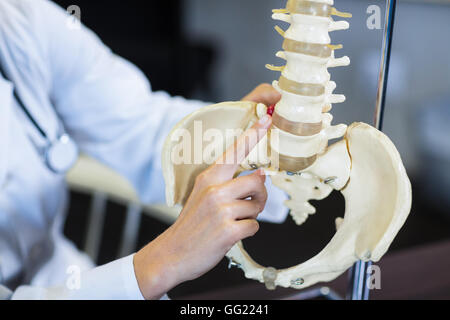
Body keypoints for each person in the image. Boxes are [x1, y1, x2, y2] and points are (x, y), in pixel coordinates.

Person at [0, 0, 286, 299]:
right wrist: (160, 263)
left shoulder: (22, 19)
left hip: (64, 275)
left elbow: (138, 124)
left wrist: (238, 133)